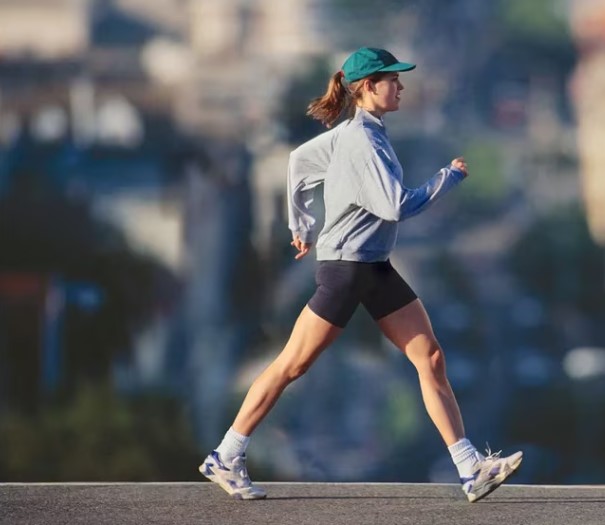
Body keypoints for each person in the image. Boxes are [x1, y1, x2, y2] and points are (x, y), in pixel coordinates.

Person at [198, 47, 523, 503]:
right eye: (393, 79)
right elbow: (395, 205)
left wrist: (302, 226)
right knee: (292, 364)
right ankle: (226, 455)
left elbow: (297, 162)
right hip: (348, 270)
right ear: (368, 87)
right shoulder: (362, 142)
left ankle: (471, 469)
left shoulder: (356, 133)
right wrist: (447, 178)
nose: (401, 86)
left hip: (374, 266)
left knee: (429, 358)